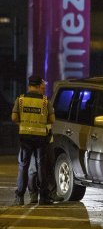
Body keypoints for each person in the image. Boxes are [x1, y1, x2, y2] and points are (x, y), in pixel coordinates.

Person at [11, 75, 55, 205]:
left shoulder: (21, 100)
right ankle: (44, 198)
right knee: (41, 166)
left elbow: (14, 117)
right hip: (41, 138)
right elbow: (52, 120)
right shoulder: (45, 101)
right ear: (38, 85)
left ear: (29, 85)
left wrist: (22, 123)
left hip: (25, 138)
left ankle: (19, 197)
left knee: (23, 167)